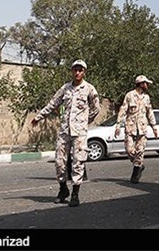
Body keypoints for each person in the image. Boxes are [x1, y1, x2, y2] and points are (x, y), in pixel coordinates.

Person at [32, 59, 99, 207]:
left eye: (80, 70)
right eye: (75, 69)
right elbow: (53, 103)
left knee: (78, 162)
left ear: (84, 72)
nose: (77, 72)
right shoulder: (65, 88)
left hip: (79, 132)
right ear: (72, 71)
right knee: (59, 162)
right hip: (65, 131)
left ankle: (75, 194)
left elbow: (96, 109)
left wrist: (84, 122)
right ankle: (63, 189)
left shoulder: (89, 89)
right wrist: (39, 116)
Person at [115, 74, 157, 183]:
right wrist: (118, 125)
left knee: (140, 151)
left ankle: (136, 173)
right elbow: (123, 110)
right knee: (129, 150)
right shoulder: (129, 95)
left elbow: (150, 112)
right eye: (146, 83)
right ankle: (139, 164)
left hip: (142, 128)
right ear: (141, 84)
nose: (147, 85)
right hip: (131, 127)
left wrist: (154, 127)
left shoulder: (146, 97)